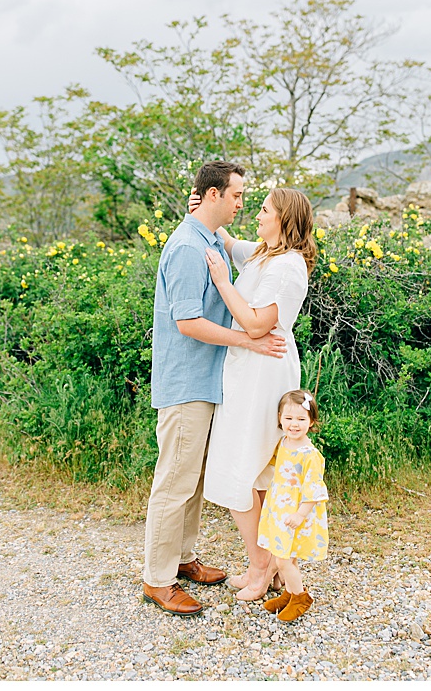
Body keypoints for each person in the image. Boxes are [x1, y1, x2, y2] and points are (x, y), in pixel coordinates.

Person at [141, 160, 287, 616]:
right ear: (213, 196)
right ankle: (158, 580)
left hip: (210, 380)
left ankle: (183, 559)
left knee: (194, 477)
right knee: (174, 482)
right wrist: (248, 339)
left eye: (246, 197)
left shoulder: (207, 239)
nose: (243, 204)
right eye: (237, 195)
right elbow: (187, 322)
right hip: (186, 381)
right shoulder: (187, 246)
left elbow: (242, 256)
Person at [197, 187, 315, 600]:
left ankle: (262, 567)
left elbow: (253, 324)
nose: (257, 214)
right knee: (255, 470)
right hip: (247, 369)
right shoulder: (265, 253)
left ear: (283, 220)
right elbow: (230, 243)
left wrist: (221, 282)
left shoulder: (287, 267)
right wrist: (201, 210)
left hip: (265, 370)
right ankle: (271, 565)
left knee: (242, 468)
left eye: (264, 210)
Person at [256, 389, 330, 622]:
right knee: (290, 556)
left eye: (301, 419)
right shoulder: (283, 443)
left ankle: (300, 597)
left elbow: (314, 490)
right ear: (280, 418)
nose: (294, 424)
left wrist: (300, 514)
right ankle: (289, 592)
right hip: (280, 509)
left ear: (312, 421)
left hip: (297, 513)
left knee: (282, 559)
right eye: (288, 418)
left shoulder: (310, 455)